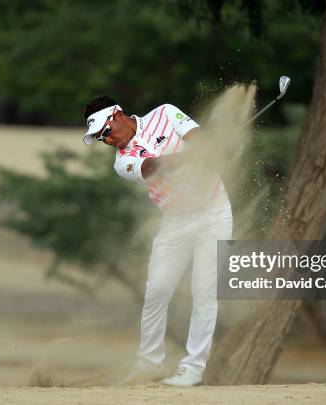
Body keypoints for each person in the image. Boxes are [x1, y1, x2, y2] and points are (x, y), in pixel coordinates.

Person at [82, 95, 233, 386]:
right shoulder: (122, 162)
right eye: (99, 138)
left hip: (214, 212)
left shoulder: (165, 113)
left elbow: (198, 138)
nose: (105, 140)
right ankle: (148, 365)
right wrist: (191, 156)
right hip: (175, 221)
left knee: (204, 290)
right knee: (157, 291)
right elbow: (153, 167)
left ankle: (193, 369)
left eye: (105, 131)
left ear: (117, 115)